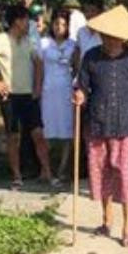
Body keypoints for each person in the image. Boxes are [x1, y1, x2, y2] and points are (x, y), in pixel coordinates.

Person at [73, 5, 128, 247]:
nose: (107, 40)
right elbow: (82, 86)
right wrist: (79, 95)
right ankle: (107, 220)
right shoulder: (91, 57)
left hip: (126, 123)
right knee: (101, 169)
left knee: (123, 171)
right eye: (104, 36)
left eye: (112, 36)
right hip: (97, 122)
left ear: (122, 38)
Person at [0, 4, 54, 189]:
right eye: (26, 19)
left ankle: (47, 172)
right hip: (10, 96)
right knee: (13, 136)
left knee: (38, 134)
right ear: (17, 21)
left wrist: (37, 87)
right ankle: (17, 176)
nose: (29, 23)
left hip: (29, 95)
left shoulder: (29, 41)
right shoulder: (1, 40)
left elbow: (38, 63)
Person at [40, 12, 78, 185]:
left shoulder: (73, 45)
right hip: (48, 90)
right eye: (56, 24)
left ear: (68, 27)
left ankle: (63, 168)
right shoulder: (43, 43)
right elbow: (38, 68)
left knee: (66, 130)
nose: (59, 28)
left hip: (65, 90)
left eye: (63, 24)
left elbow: (77, 68)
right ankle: (45, 169)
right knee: (46, 130)